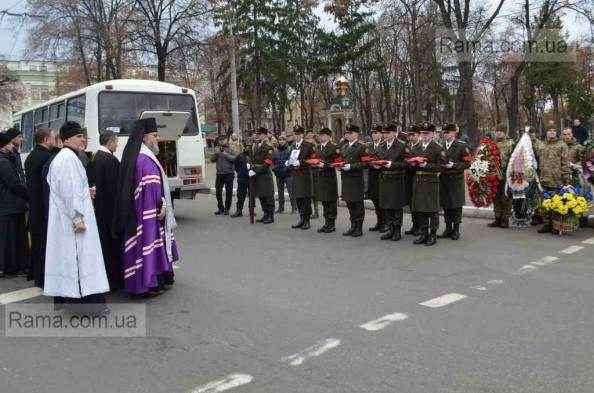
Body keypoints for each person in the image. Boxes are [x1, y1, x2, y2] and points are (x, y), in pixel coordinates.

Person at [44, 121, 109, 313]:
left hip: (71, 220)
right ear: (67, 139)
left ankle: (79, 306)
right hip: (74, 224)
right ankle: (85, 308)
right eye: (79, 136)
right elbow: (68, 193)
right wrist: (77, 218)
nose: (83, 140)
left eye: (83, 136)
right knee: (81, 262)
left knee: (76, 263)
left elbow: (71, 189)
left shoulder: (67, 157)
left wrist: (86, 192)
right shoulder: (67, 159)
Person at [114, 118, 180, 296]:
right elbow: (151, 191)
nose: (157, 139)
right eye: (155, 135)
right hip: (147, 213)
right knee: (146, 249)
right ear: (144, 137)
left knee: (140, 249)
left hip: (140, 213)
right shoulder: (145, 160)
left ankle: (150, 282)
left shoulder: (138, 155)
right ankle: (146, 285)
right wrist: (162, 206)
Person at [87, 131, 122, 291]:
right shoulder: (111, 160)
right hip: (111, 212)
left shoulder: (95, 157)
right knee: (112, 247)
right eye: (116, 142)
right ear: (109, 142)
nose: (117, 144)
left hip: (99, 210)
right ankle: (114, 280)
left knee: (103, 246)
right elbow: (116, 190)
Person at [24, 127, 58, 286]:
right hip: (45, 207)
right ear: (45, 140)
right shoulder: (47, 157)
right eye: (53, 137)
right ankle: (44, 277)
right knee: (45, 243)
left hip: (34, 206)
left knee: (37, 242)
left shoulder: (31, 156)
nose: (55, 140)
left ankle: (37, 275)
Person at [410, 122, 445, 246]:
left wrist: (427, 165)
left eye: (427, 133)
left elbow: (442, 166)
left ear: (433, 134)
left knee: (432, 210)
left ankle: (433, 234)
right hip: (418, 181)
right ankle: (423, 233)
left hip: (431, 181)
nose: (424, 136)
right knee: (420, 209)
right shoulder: (415, 148)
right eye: (423, 133)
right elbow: (410, 166)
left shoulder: (437, 148)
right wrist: (412, 164)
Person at [0, 131, 29, 278]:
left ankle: (12, 266)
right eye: (10, 143)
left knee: (12, 238)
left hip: (11, 205)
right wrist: (28, 195)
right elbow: (13, 183)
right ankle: (9, 267)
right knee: (9, 238)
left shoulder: (8, 159)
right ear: (3, 146)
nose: (13, 146)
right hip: (9, 204)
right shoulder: (3, 161)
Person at [535, 127, 571, 234]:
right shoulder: (542, 145)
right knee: (545, 203)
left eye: (554, 130)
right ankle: (547, 224)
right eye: (550, 130)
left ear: (556, 133)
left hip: (557, 179)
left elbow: (565, 163)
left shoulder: (562, 145)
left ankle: (556, 226)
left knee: (557, 204)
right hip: (544, 179)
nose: (552, 132)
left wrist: (566, 177)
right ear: (546, 132)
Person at [376, 123, 408, 241]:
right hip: (384, 178)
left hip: (396, 179)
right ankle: (390, 229)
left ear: (394, 133)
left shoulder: (402, 146)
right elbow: (377, 158)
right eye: (384, 133)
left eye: (388, 133)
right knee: (386, 206)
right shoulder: (382, 145)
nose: (385, 135)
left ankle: (397, 230)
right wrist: (376, 165)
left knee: (396, 206)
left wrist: (392, 164)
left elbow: (407, 163)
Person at [439, 123, 471, 240]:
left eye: (447, 132)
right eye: (444, 132)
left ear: (454, 133)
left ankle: (456, 229)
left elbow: (468, 163)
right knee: (446, 204)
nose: (445, 134)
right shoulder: (441, 146)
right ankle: (448, 228)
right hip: (444, 179)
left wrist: (455, 165)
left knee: (456, 205)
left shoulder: (461, 146)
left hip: (455, 179)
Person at [338, 124, 368, 237]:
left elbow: (365, 163)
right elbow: (341, 159)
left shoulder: (362, 147)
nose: (348, 135)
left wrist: (351, 166)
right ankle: (352, 226)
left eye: (351, 133)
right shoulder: (344, 147)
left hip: (356, 179)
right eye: (347, 133)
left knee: (357, 205)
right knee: (350, 204)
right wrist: (340, 166)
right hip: (346, 179)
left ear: (356, 134)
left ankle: (359, 228)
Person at [287, 126, 316, 230]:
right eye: (295, 134)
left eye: (298, 134)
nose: (296, 136)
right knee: (298, 199)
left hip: (305, 176)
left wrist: (301, 162)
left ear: (301, 134)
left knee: (305, 199)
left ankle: (307, 220)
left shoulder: (308, 145)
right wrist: (289, 162)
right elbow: (292, 157)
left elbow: (313, 160)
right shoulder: (293, 146)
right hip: (295, 175)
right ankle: (301, 219)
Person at [313, 128, 339, 233]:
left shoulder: (334, 147)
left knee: (330, 202)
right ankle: (326, 223)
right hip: (320, 177)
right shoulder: (318, 147)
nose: (320, 137)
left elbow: (336, 163)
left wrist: (325, 165)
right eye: (320, 135)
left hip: (329, 178)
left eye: (323, 135)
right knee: (324, 201)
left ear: (328, 136)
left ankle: (331, 224)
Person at [247, 127, 275, 224]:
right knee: (261, 196)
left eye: (259, 134)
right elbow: (250, 157)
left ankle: (270, 216)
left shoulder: (268, 147)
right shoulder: (254, 145)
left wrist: (255, 170)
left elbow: (267, 163)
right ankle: (265, 214)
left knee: (268, 196)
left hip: (264, 175)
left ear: (265, 135)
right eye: (257, 134)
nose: (257, 136)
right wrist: (249, 165)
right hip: (257, 175)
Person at [488, 125, 515, 228]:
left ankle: (505, 219)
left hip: (506, 173)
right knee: (495, 196)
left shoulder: (510, 143)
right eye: (497, 131)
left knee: (506, 197)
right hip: (494, 174)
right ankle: (497, 218)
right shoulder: (492, 144)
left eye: (501, 131)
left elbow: (515, 159)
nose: (499, 133)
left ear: (505, 132)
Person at [211, 136, 237, 215]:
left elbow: (235, 159)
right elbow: (212, 160)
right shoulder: (217, 149)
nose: (221, 142)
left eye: (223, 140)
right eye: (220, 140)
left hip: (229, 173)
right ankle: (220, 208)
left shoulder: (231, 148)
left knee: (229, 192)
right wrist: (216, 154)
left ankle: (227, 209)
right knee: (218, 192)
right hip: (219, 174)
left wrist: (226, 155)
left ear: (226, 140)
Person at [367, 124, 386, 232]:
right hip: (372, 176)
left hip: (382, 175)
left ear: (381, 134)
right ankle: (379, 222)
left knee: (382, 201)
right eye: (373, 133)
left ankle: (385, 222)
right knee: (375, 200)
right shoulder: (369, 146)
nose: (374, 135)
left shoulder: (384, 145)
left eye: (376, 133)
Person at [405, 125, 421, 235]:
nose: (411, 137)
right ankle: (414, 225)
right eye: (409, 135)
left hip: (418, 178)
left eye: (413, 135)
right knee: (411, 203)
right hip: (408, 178)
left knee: (418, 204)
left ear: (418, 135)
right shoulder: (407, 147)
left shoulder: (421, 146)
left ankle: (420, 226)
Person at [272, 135, 291, 214]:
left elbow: (291, 161)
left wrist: (287, 169)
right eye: (280, 140)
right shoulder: (275, 151)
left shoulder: (289, 150)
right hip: (278, 173)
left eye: (283, 140)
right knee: (280, 192)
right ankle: (280, 208)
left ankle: (294, 208)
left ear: (285, 141)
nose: (281, 141)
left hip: (288, 173)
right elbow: (272, 162)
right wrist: (274, 169)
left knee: (291, 191)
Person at [231, 139, 250, 218]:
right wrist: (240, 172)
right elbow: (236, 165)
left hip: (251, 178)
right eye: (246, 146)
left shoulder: (253, 155)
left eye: (249, 147)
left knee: (251, 195)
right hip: (242, 178)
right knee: (240, 195)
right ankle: (239, 211)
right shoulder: (240, 156)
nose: (247, 148)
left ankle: (251, 210)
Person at [305, 130, 320, 219]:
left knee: (314, 192)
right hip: (307, 171)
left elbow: (316, 159)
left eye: (311, 138)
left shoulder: (316, 148)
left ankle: (316, 211)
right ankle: (310, 211)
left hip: (314, 171)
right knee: (309, 192)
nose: (309, 140)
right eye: (308, 138)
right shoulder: (306, 147)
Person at [284, 131, 297, 214]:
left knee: (294, 190)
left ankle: (295, 208)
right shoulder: (286, 146)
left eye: (289, 136)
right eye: (287, 136)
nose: (288, 137)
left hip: (293, 170)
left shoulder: (294, 145)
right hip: (287, 171)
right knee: (290, 190)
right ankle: (293, 207)